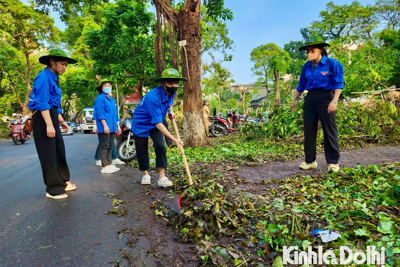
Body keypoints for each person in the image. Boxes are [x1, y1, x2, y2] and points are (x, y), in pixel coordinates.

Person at [28, 49, 77, 199]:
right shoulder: (43, 77)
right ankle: (53, 189)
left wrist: (61, 120)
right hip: (43, 118)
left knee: (58, 150)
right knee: (48, 153)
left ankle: (63, 181)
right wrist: (49, 124)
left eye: (66, 65)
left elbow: (54, 104)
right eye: (62, 64)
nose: (64, 67)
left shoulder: (53, 77)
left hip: (52, 115)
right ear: (52, 61)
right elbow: (42, 103)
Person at [291, 35, 344, 173]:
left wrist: (334, 101)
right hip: (310, 99)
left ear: (320, 49)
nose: (309, 54)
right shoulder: (306, 66)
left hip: (326, 98)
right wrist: (294, 100)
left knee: (329, 130)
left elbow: (339, 83)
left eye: (312, 51)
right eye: (307, 52)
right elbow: (301, 85)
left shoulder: (333, 64)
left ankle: (333, 163)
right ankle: (310, 161)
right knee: (309, 131)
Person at [132, 68, 185, 187]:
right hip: (141, 123)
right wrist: (175, 139)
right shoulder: (153, 97)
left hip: (155, 122)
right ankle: (145, 174)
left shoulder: (170, 93)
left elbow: (169, 102)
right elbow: (159, 124)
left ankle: (162, 177)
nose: (174, 85)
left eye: (176, 82)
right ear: (163, 83)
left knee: (160, 146)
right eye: (170, 83)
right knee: (142, 150)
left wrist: (170, 111)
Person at [93, 78, 122, 174]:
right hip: (104, 126)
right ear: (101, 88)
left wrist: (118, 126)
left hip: (113, 126)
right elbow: (100, 113)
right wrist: (105, 126)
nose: (107, 87)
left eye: (109, 86)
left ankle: (109, 164)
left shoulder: (112, 99)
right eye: (105, 86)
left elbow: (115, 115)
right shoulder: (99, 99)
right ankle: (104, 166)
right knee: (104, 145)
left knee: (110, 145)